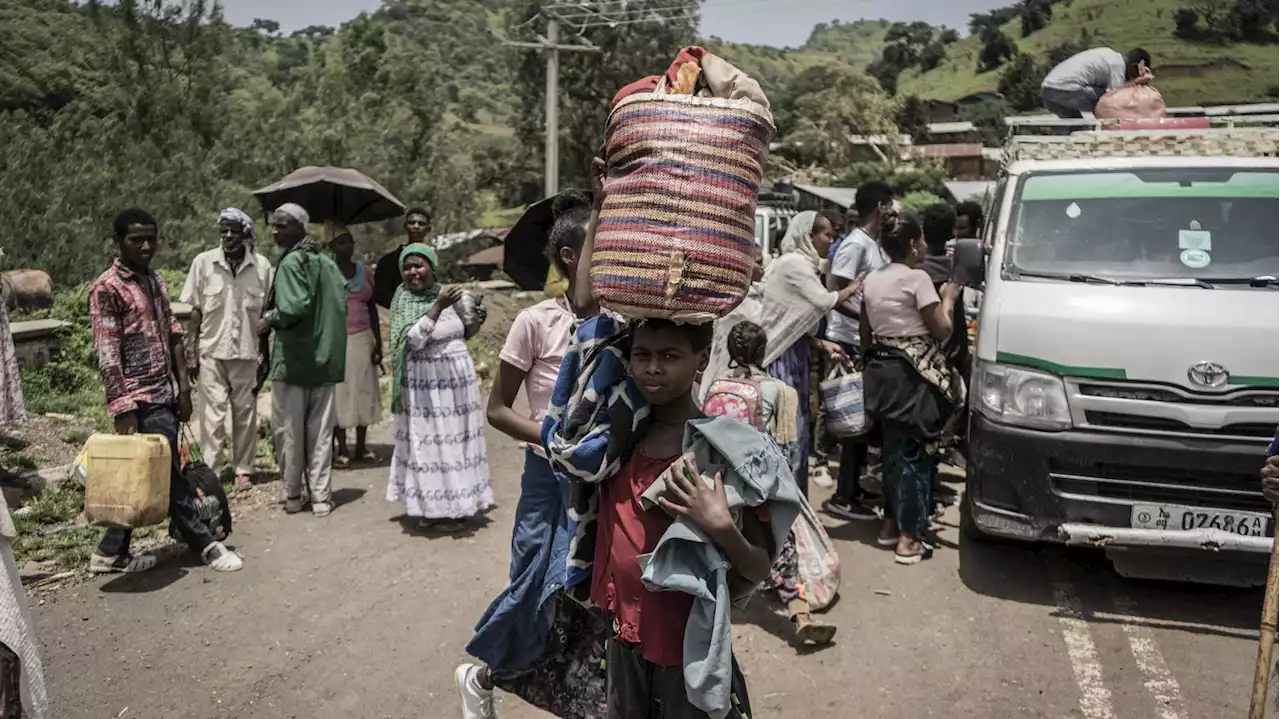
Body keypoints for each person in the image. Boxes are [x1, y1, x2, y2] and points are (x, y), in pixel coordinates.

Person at [455, 191, 606, 719]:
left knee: (584, 593)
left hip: (598, 479)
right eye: (597, 241)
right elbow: (497, 409)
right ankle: (485, 675)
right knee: (535, 585)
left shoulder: (617, 323)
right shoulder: (535, 321)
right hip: (547, 478)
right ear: (570, 256)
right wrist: (552, 438)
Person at [88, 208, 242, 572]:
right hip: (137, 398)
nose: (145, 245)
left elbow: (172, 331)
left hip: (164, 392)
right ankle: (206, 544)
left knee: (144, 475)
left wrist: (183, 388)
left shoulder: (154, 280)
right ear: (119, 241)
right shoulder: (107, 288)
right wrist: (122, 407)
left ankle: (109, 552)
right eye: (135, 239)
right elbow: (108, 353)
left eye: (150, 238)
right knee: (169, 475)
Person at [710, 321, 836, 646]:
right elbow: (788, 449)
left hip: (719, 486)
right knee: (782, 546)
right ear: (764, 351)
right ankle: (800, 613)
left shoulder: (716, 385)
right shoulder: (781, 391)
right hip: (760, 487)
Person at [859, 210, 961, 565]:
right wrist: (948, 296)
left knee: (891, 451)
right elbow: (943, 330)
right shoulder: (917, 279)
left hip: (881, 373)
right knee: (916, 455)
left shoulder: (870, 279)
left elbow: (865, 334)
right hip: (912, 378)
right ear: (915, 243)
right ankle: (910, 537)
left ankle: (890, 524)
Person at [387, 244, 493, 534]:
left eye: (419, 265)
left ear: (432, 267)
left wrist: (475, 320)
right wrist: (437, 307)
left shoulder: (452, 294)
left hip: (458, 385)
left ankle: (460, 504)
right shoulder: (404, 299)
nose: (413, 272)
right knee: (431, 444)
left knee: (458, 442)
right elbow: (410, 341)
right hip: (426, 388)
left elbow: (463, 332)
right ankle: (431, 511)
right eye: (407, 267)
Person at [758, 211, 860, 497]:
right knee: (789, 433)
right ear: (809, 236)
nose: (831, 240)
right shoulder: (794, 265)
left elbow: (796, 322)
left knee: (798, 431)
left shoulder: (804, 265)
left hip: (797, 355)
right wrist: (854, 287)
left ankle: (795, 504)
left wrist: (821, 344)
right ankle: (783, 503)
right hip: (781, 360)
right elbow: (822, 301)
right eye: (827, 234)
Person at [259, 203, 348, 518]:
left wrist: (268, 318)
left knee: (289, 431)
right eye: (273, 225)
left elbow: (294, 306)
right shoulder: (327, 263)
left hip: (295, 361)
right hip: (325, 362)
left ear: (300, 227)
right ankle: (322, 498)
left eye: (282, 225)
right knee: (321, 433)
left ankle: (294, 495)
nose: (274, 231)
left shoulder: (290, 263)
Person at [180, 208, 273, 491]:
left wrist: (265, 357)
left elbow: (269, 316)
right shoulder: (204, 263)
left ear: (246, 233)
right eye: (224, 230)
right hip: (211, 352)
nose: (228, 236)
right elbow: (195, 311)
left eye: (234, 230)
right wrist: (191, 351)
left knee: (245, 414)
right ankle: (212, 471)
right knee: (212, 415)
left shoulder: (262, 267)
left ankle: (244, 469)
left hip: (247, 352)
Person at [823, 180, 896, 521]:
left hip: (864, 338)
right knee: (853, 422)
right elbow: (834, 294)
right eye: (891, 205)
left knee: (863, 422)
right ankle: (842, 496)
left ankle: (852, 488)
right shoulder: (854, 245)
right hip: (849, 339)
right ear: (880, 206)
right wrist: (867, 320)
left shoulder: (872, 244)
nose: (893, 212)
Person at [327, 227, 383, 469]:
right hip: (336, 340)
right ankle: (342, 448)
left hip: (363, 338)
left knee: (363, 391)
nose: (346, 246)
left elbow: (372, 310)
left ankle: (361, 446)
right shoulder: (326, 273)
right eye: (340, 241)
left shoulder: (366, 273)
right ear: (331, 248)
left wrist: (378, 343)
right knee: (339, 393)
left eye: (349, 240)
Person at [1040, 47, 1153, 118]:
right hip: (1065, 90)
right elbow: (1116, 98)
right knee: (1109, 102)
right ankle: (1111, 135)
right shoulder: (1118, 65)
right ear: (1135, 66)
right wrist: (1138, 82)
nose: (1130, 78)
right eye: (1134, 74)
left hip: (1047, 90)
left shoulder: (1109, 55)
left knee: (1077, 128)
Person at [373, 207, 431, 310]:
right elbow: (381, 293)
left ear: (428, 229)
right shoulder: (388, 261)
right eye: (412, 223)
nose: (416, 226)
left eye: (421, 223)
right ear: (405, 226)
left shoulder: (433, 260)